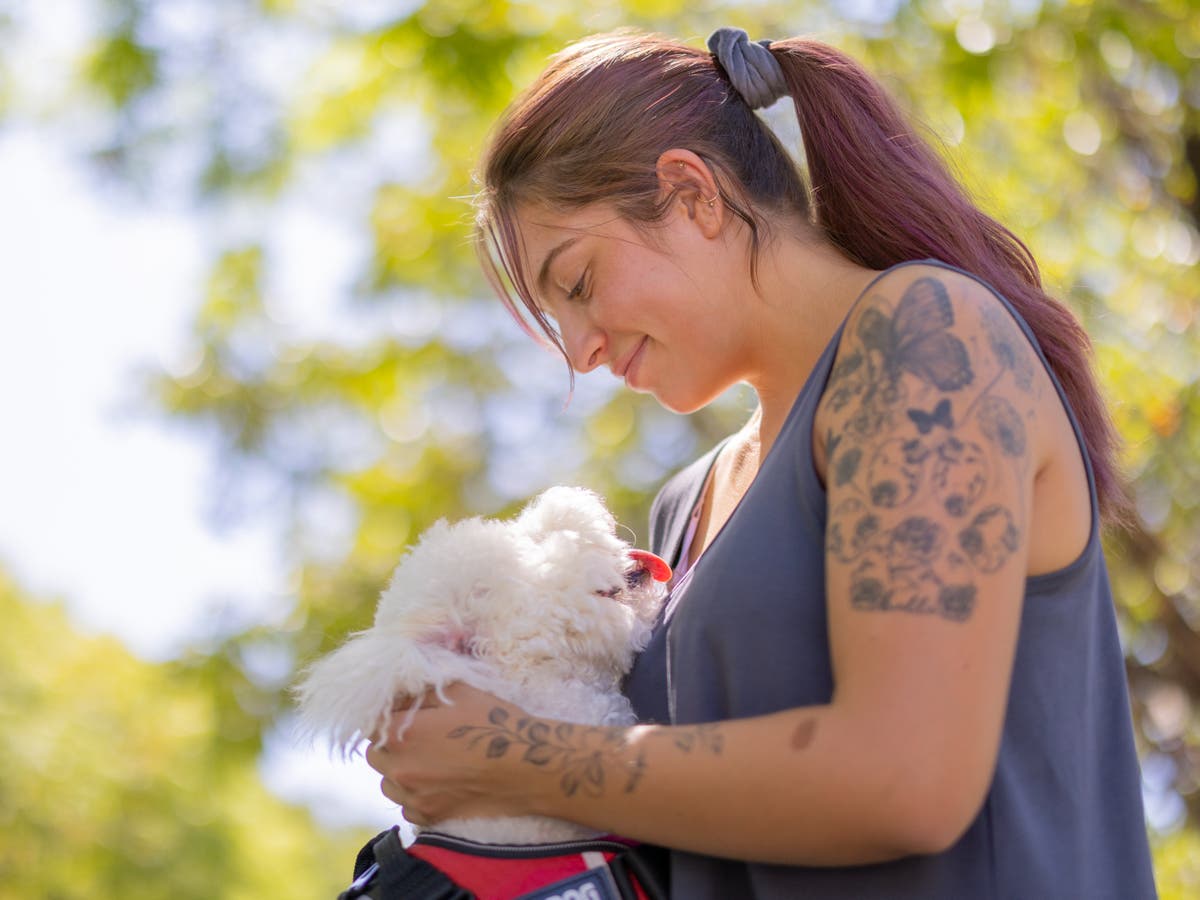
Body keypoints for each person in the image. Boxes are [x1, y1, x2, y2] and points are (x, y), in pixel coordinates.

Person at [363, 27, 1158, 898]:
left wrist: (512, 756)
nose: (582, 352)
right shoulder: (684, 505)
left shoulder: (927, 340)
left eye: (580, 283)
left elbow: (905, 783)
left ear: (691, 193)